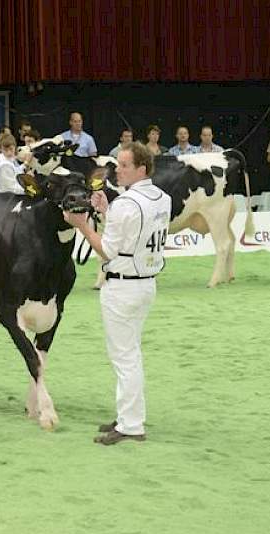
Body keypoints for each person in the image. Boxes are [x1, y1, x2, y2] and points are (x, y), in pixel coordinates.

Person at [64, 142, 172, 445]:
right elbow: (132, 232)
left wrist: (82, 225)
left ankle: (131, 425)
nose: (117, 171)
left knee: (124, 357)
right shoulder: (162, 198)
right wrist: (106, 211)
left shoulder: (127, 203)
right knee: (130, 353)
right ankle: (128, 414)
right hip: (146, 282)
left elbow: (108, 250)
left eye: (124, 165)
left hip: (123, 285)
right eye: (118, 164)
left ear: (142, 168)